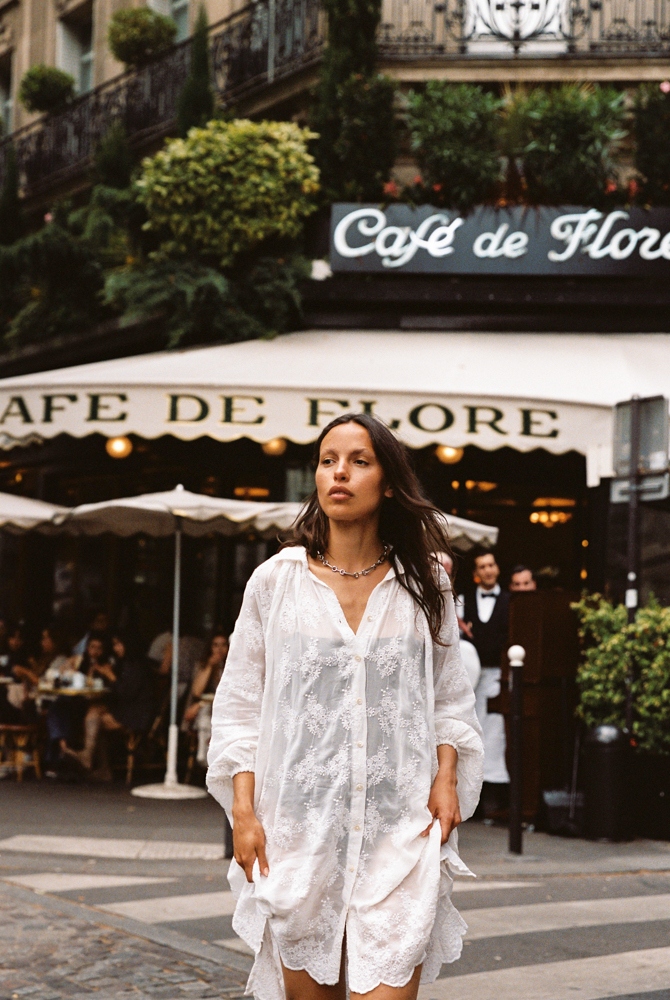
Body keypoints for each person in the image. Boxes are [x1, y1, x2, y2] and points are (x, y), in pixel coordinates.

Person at [207, 413, 483, 1000]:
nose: (340, 473)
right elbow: (239, 708)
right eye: (329, 460)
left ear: (387, 483)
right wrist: (245, 811)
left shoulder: (424, 584)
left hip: (399, 830)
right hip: (299, 833)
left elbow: (449, 695)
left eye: (359, 461)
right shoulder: (275, 582)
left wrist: (448, 776)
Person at [463, 549, 511, 807]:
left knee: (495, 732)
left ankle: (494, 789)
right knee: (472, 729)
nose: (488, 570)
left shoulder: (509, 600)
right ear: (475, 574)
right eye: (483, 566)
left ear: (497, 568)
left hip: (497, 675)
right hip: (471, 676)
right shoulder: (464, 600)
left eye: (491, 565)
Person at [182, 630, 228, 766]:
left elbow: (226, 693)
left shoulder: (232, 667)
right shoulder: (202, 665)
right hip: (204, 712)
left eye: (223, 645)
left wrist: (201, 703)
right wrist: (209, 666)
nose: (219, 649)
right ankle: (204, 755)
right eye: (215, 645)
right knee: (205, 713)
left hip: (225, 710)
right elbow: (197, 692)